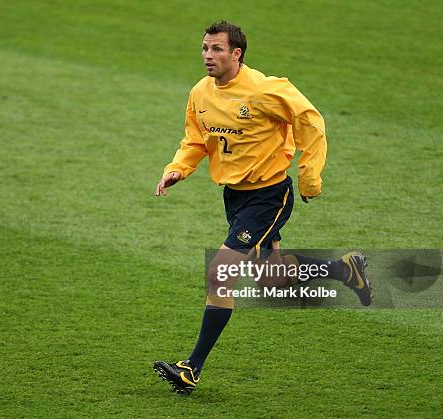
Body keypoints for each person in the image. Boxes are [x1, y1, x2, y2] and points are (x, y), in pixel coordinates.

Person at [152, 20, 372, 395]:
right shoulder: (200, 93)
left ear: (236, 54)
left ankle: (192, 367)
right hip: (235, 196)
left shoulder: (266, 90)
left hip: (269, 196)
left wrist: (310, 177)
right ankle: (345, 269)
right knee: (272, 279)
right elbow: (195, 140)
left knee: (220, 275)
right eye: (205, 48)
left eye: (217, 49)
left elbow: (311, 122)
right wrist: (177, 169)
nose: (208, 55)